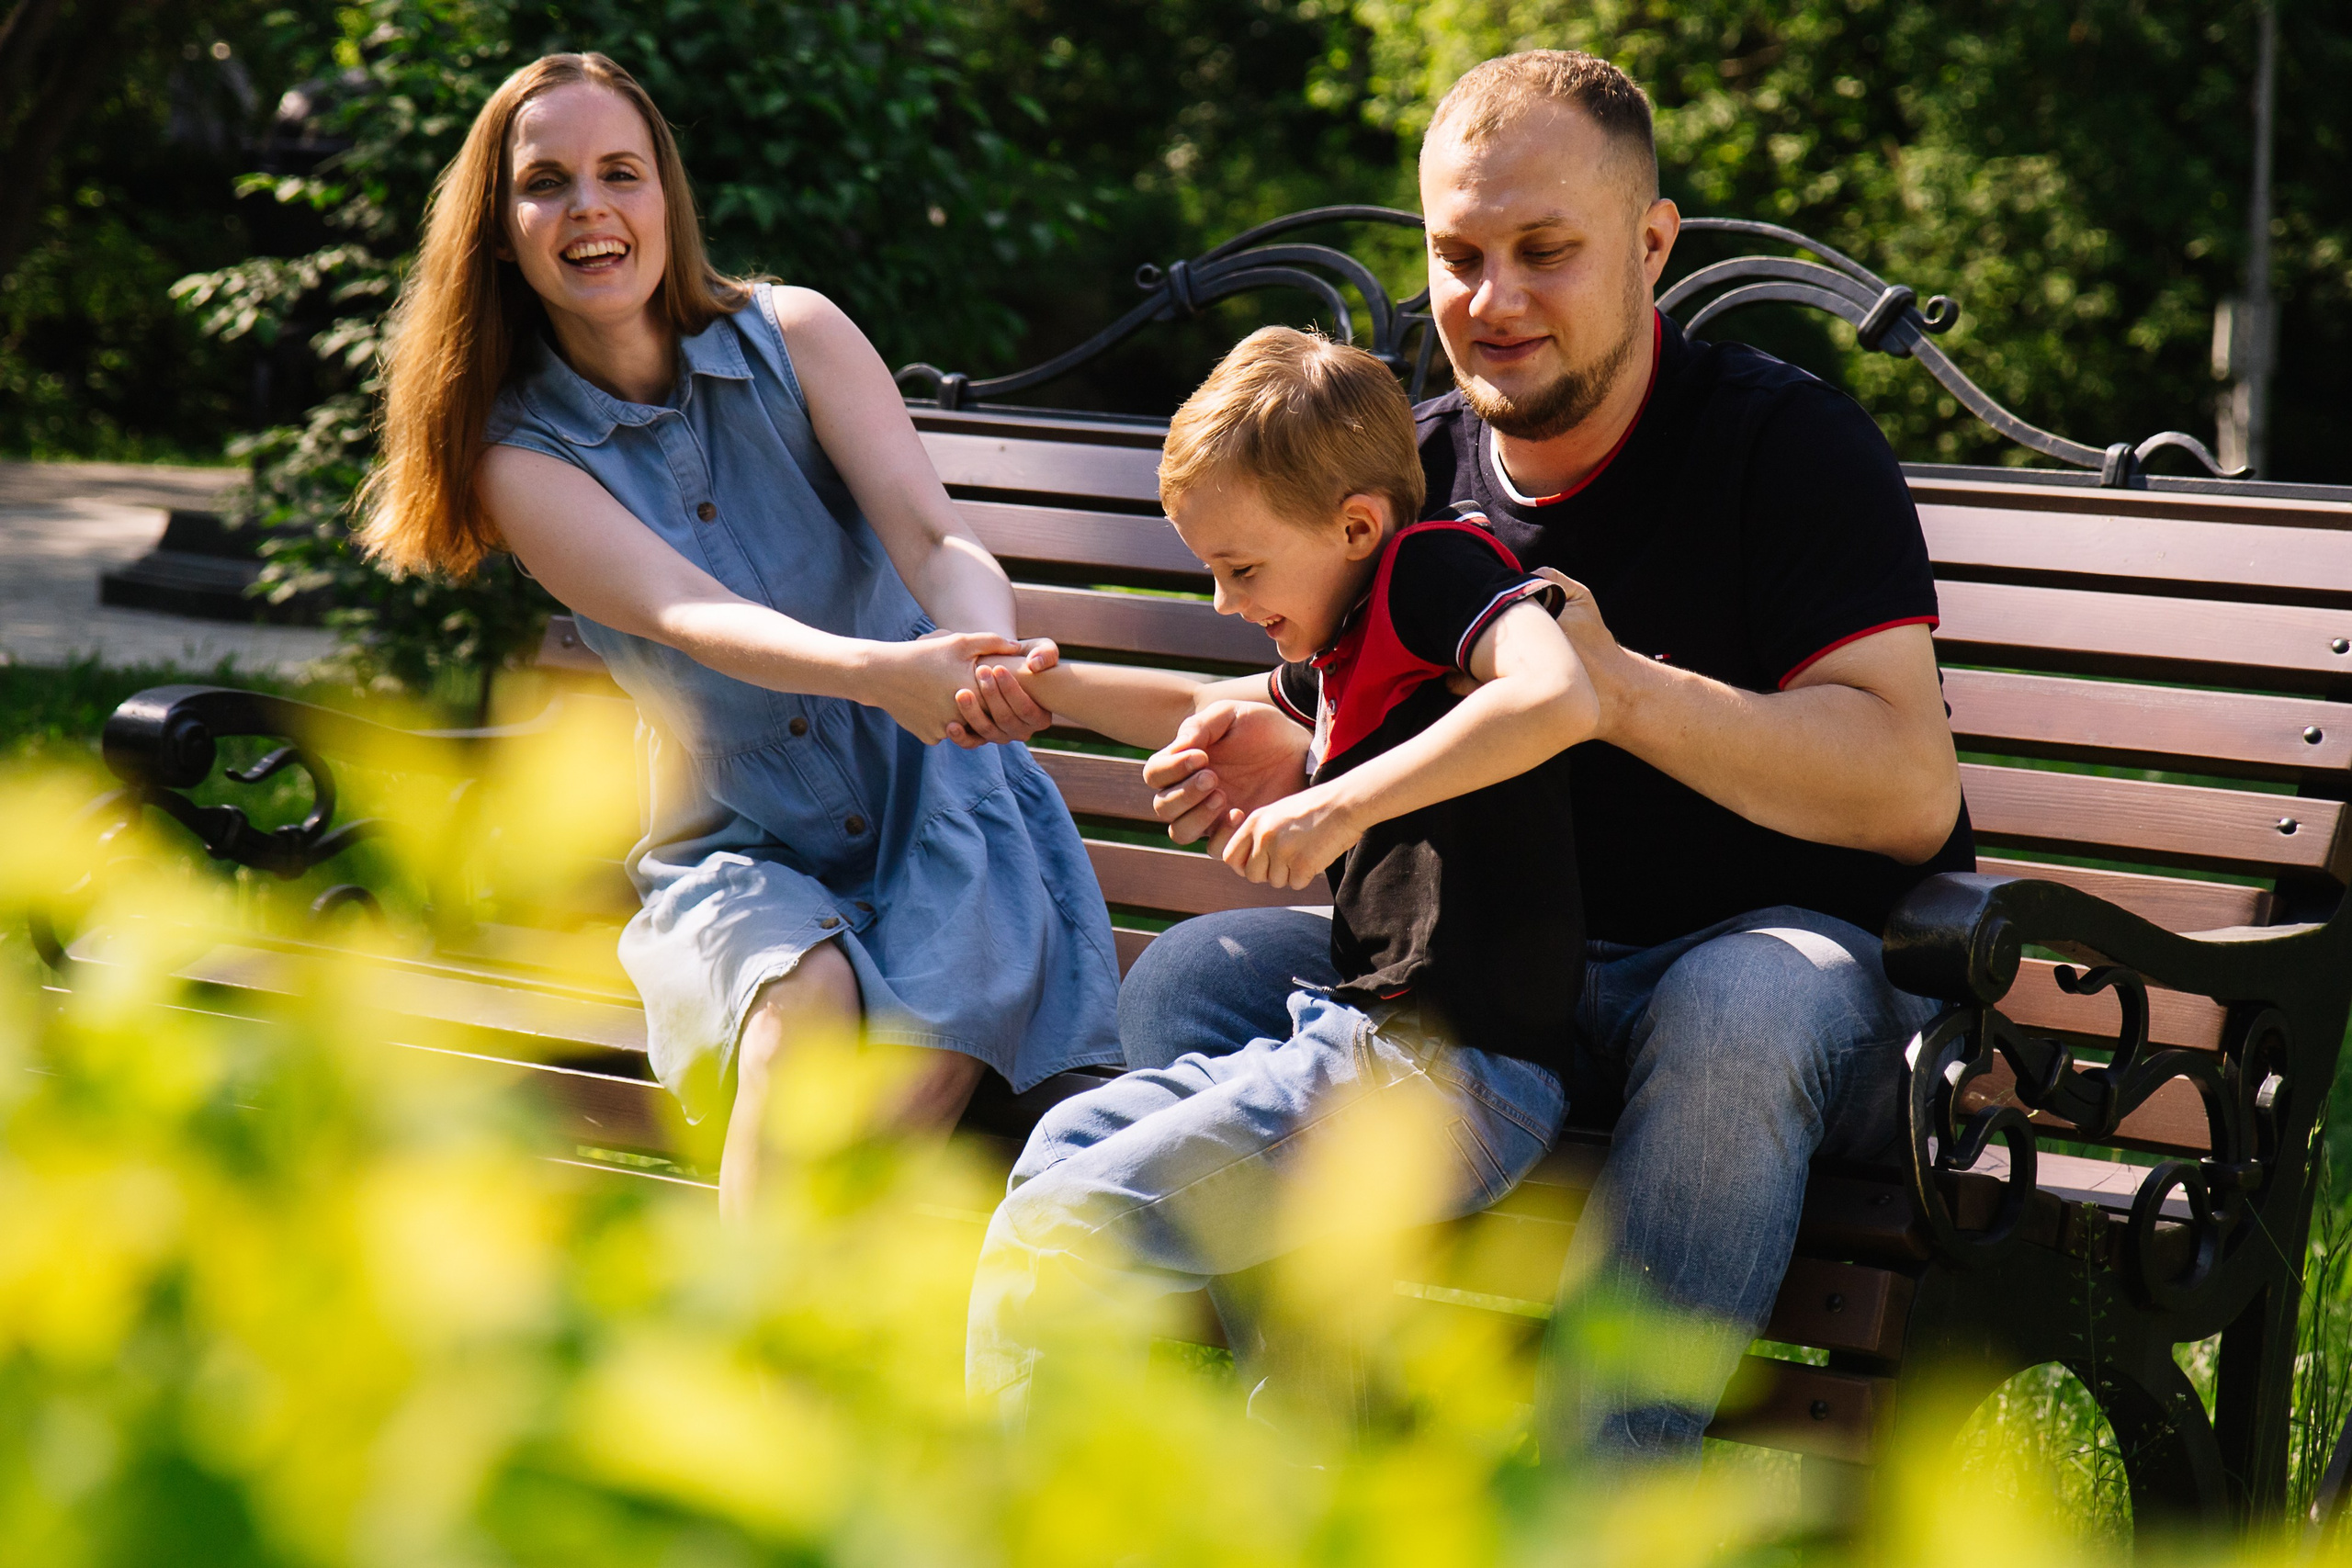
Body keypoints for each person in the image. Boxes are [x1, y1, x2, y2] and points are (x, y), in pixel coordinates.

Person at [1122, 51, 1972, 1463]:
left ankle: (1598, 1504)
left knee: (1742, 1001)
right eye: (1457, 255)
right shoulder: (1414, 464)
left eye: (1544, 251)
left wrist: (1617, 688)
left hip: (1785, 989)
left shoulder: (1787, 444)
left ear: (1651, 245)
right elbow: (1374, 701)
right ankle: (1322, 1464)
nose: (1491, 300)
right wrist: (1297, 741)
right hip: (1503, 990)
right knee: (1192, 980)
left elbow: (1905, 786)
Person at [355, 52, 1117, 1220]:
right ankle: (744, 1363)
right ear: (501, 232)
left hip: (946, 804)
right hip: (737, 838)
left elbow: (930, 535)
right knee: (794, 1004)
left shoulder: (796, 334)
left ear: (667, 200)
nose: (590, 209)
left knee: (912, 1070)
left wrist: (980, 655)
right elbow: (689, 614)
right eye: (545, 184)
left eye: (621, 173)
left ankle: (769, 1365)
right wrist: (888, 673)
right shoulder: (518, 458)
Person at [961, 325, 1596, 1421]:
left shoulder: (1433, 567)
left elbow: (1559, 695)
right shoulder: (1355, 637)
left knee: (1060, 1230)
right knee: (1062, 1146)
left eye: (1240, 568)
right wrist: (1039, 687)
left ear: (1356, 524)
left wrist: (1335, 800)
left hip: (1454, 1080)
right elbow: (1218, 711)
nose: (1222, 602)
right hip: (1362, 1048)